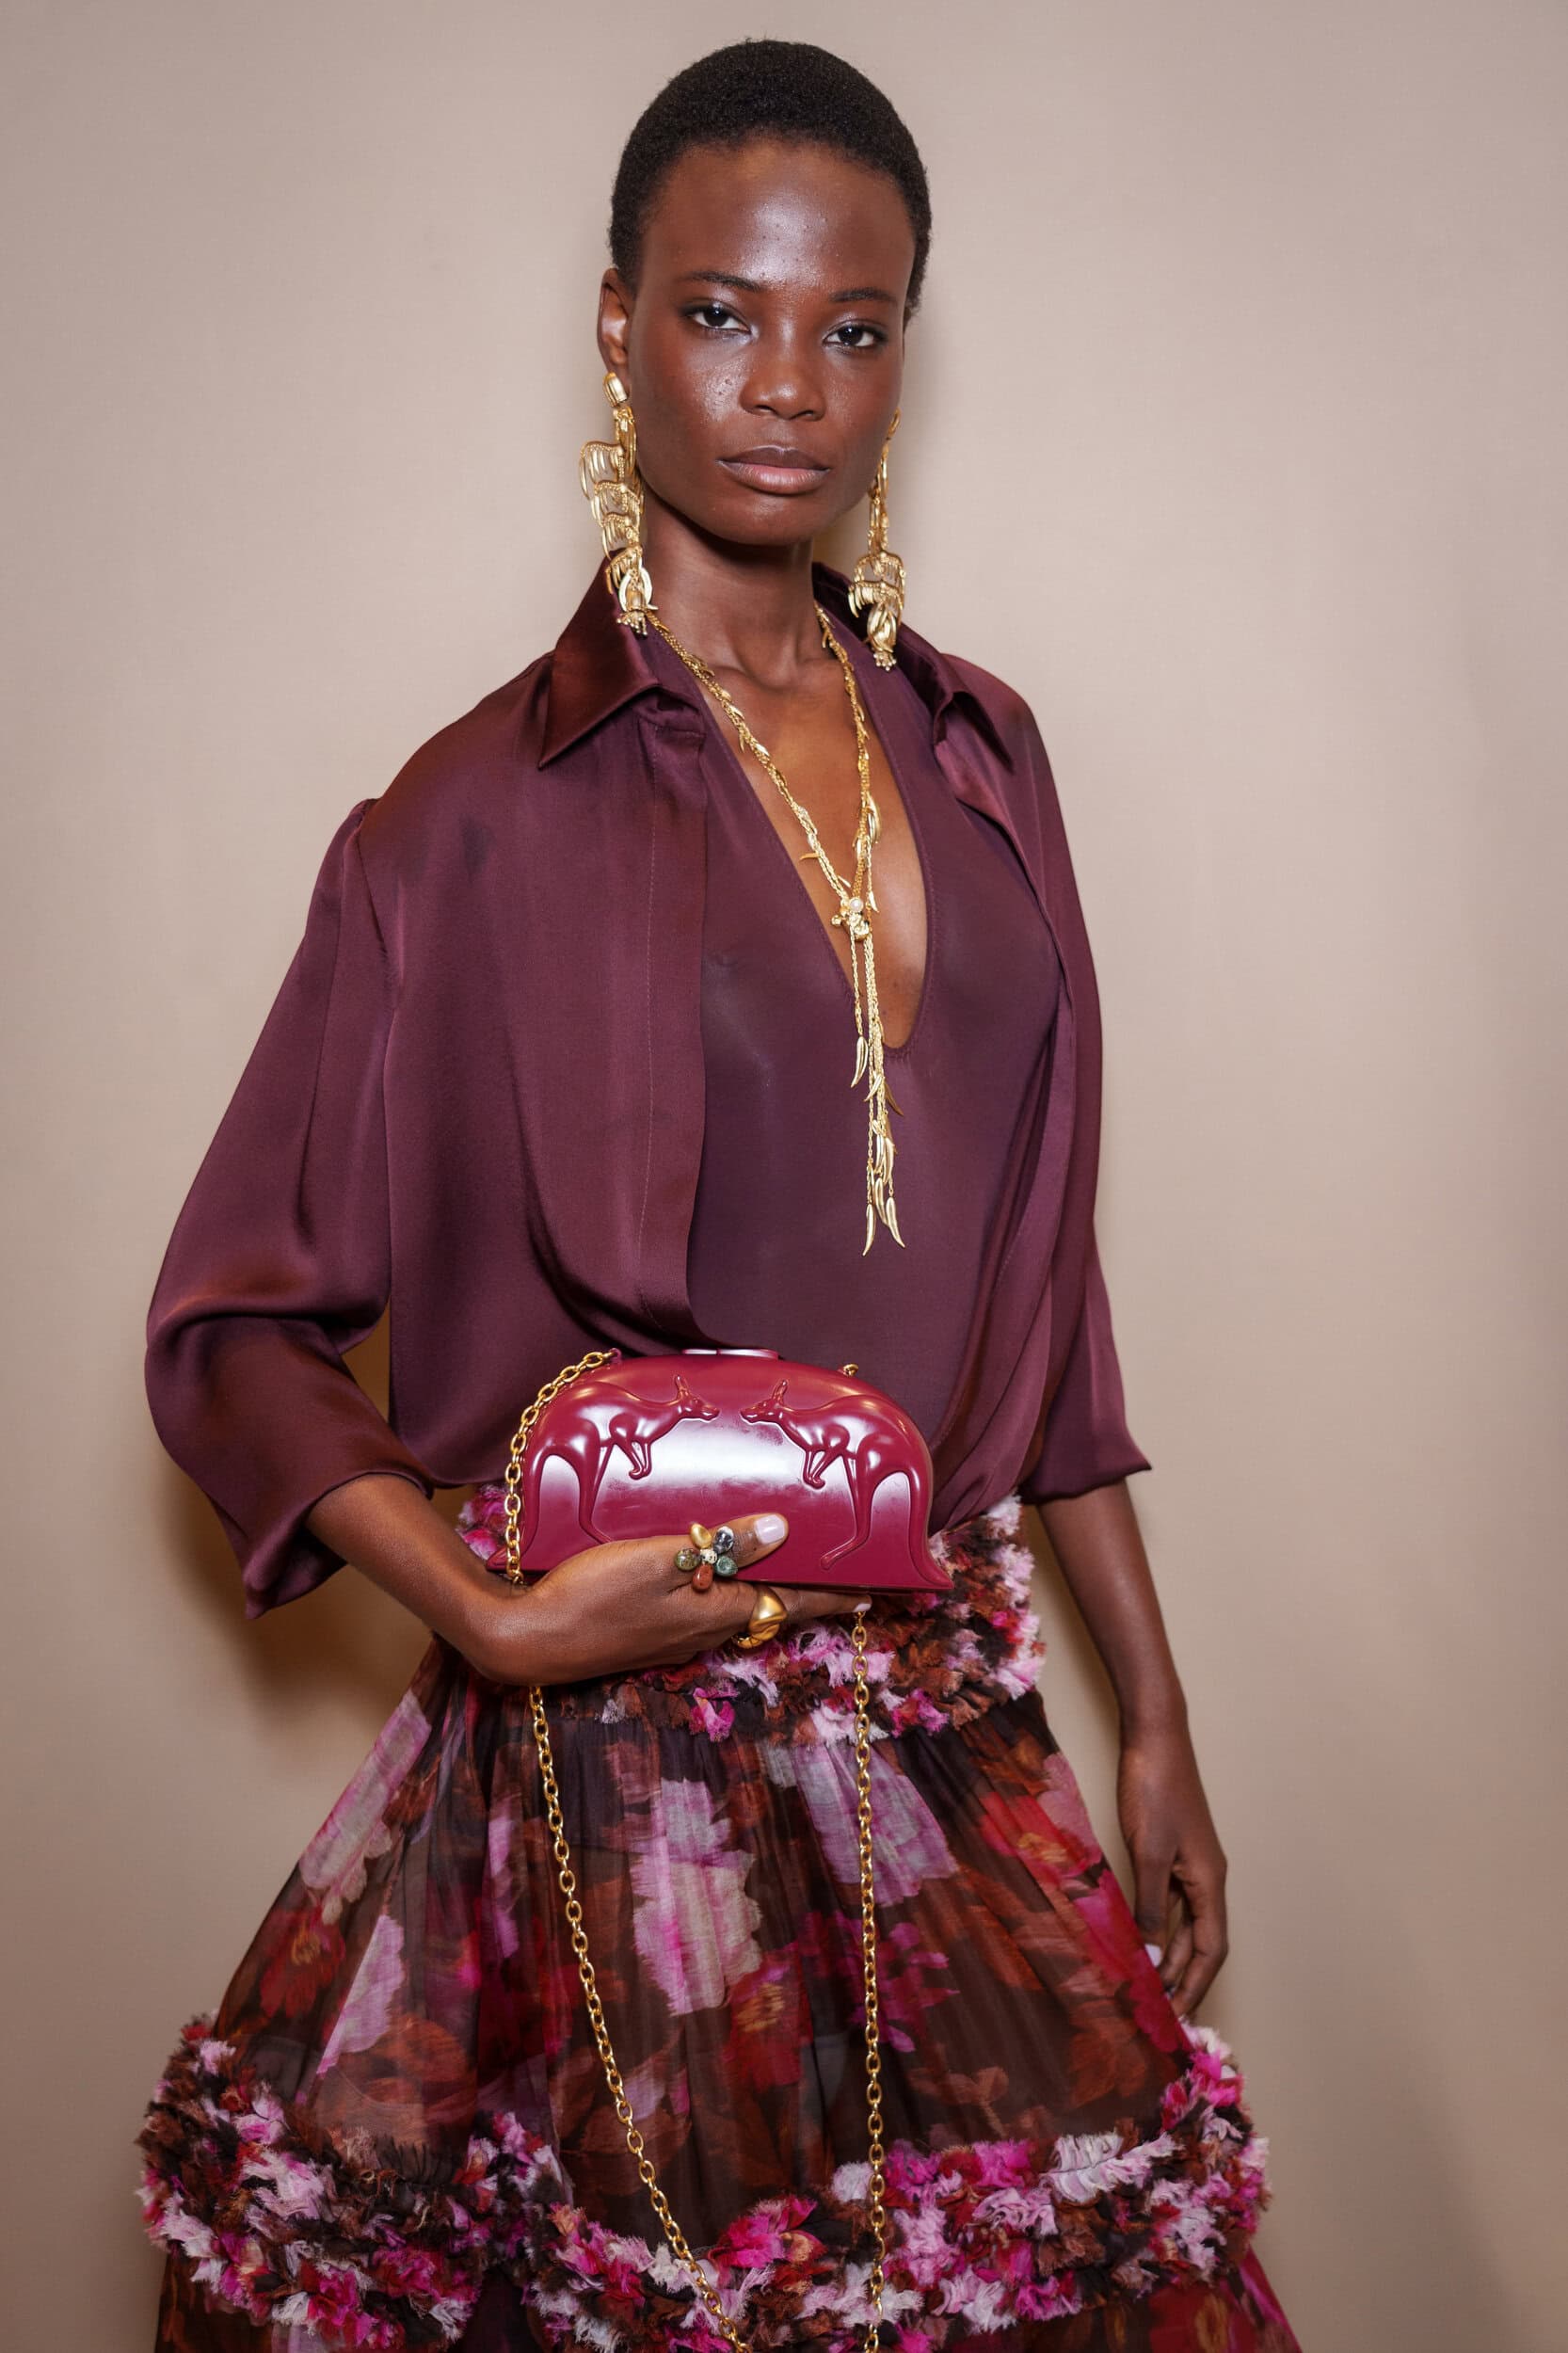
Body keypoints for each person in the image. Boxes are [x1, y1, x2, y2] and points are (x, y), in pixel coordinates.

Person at [137, 40, 1301, 2353]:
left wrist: (1152, 1710)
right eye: (717, 313)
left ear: (901, 356)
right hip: (615, 1763)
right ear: (615, 324)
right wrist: (483, 1620)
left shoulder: (980, 754)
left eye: (849, 328)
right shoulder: (472, 814)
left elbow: (1036, 1282)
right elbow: (234, 1327)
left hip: (941, 1728)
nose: (786, 385)